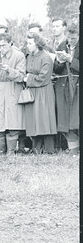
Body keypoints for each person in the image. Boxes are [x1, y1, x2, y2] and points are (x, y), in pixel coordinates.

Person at [0, 33, 26, 154]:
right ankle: (0, 150)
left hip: (12, 90)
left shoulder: (19, 56)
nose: (1, 48)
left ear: (10, 44)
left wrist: (8, 69)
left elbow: (21, 76)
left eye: (4, 46)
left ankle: (11, 151)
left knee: (12, 122)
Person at [22, 33, 58, 154]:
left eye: (30, 43)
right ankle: (36, 148)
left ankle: (49, 149)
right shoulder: (29, 56)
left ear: (37, 44)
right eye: (27, 43)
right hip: (33, 91)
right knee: (34, 119)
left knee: (45, 119)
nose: (28, 46)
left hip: (44, 92)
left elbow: (44, 77)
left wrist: (29, 78)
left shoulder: (46, 57)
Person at [54, 22, 79, 153]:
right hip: (64, 88)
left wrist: (71, 60)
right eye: (68, 37)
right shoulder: (62, 45)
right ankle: (74, 150)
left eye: (73, 38)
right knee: (66, 120)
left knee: (77, 119)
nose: (70, 40)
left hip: (78, 88)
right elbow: (56, 69)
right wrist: (59, 61)